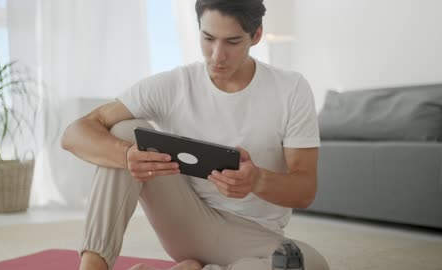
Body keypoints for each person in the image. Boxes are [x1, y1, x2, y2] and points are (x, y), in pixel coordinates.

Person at [62, 0, 329, 269]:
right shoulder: (174, 85)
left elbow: (304, 190)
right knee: (124, 132)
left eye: (232, 42)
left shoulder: (291, 89)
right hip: (186, 221)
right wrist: (126, 155)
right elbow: (74, 133)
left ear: (256, 35)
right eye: (208, 38)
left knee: (311, 264)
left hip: (253, 236)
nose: (216, 55)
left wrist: (257, 179)